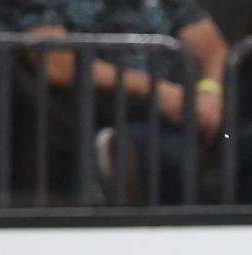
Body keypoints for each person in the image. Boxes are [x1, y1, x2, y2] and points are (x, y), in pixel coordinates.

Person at [15, 0, 229, 200]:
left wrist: (209, 90)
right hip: (87, 115)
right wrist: (154, 90)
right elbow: (54, 61)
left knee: (249, 144)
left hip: (172, 112)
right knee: (168, 156)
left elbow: (213, 49)